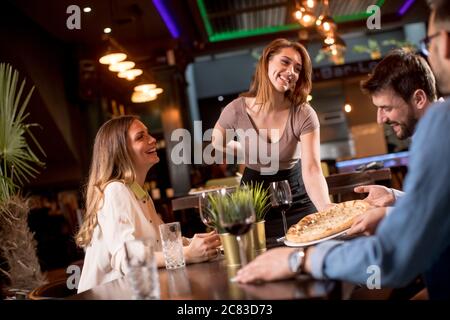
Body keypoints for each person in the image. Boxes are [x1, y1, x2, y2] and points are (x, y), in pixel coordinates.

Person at [234, 0, 450, 299]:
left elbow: (393, 257)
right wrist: (394, 200)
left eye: (386, 107)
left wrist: (298, 260)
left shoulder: (442, 126)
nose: (380, 119)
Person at [76, 116, 221, 293]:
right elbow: (126, 259)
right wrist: (188, 253)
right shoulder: (115, 190)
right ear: (121, 151)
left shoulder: (138, 192)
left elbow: (162, 245)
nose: (152, 139)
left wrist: (198, 243)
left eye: (148, 134)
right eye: (140, 137)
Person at [212, 38, 332, 245]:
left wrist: (327, 209)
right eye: (285, 62)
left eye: (297, 68)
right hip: (254, 199)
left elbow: (312, 169)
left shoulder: (303, 113)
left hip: (297, 197)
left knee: (312, 254)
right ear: (267, 61)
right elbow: (217, 142)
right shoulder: (236, 109)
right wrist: (246, 150)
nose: (291, 72)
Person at [345, 48, 438, 235]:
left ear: (419, 99)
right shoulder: (429, 135)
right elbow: (432, 201)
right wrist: (392, 196)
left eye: (386, 108)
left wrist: (388, 215)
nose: (380, 119)